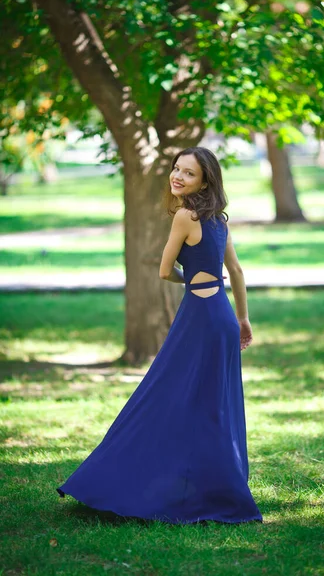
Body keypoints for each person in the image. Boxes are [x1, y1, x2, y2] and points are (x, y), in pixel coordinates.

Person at [56, 146, 263, 525]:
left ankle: (144, 479)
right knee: (215, 404)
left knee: (166, 393)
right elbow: (236, 272)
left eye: (189, 173)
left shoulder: (185, 216)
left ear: (205, 181)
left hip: (199, 315)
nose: (178, 176)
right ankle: (220, 488)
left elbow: (165, 270)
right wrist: (243, 319)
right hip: (223, 317)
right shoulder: (219, 220)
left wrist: (193, 281)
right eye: (176, 168)